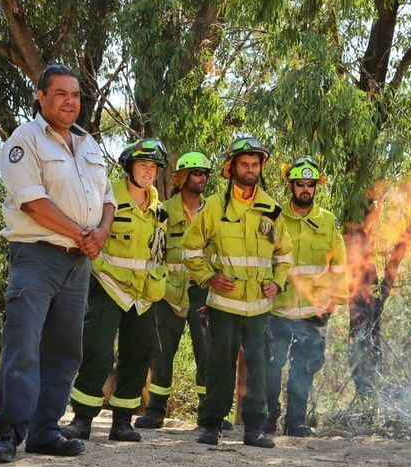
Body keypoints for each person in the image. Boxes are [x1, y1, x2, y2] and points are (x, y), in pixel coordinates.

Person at [0, 64, 115, 463]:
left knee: (65, 350)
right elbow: (31, 201)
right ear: (41, 96)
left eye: (75, 95)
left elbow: (109, 200)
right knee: (24, 342)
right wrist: (83, 233)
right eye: (60, 93)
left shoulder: (88, 144)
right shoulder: (23, 140)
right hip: (38, 256)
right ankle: (9, 431)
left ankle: (46, 431)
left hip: (80, 263)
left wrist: (102, 233)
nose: (70, 101)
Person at [183, 135, 293, 448]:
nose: (250, 169)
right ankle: (212, 426)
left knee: (259, 365)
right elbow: (190, 249)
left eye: (255, 164)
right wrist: (208, 278)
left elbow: (284, 256)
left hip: (259, 307)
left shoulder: (271, 210)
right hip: (224, 304)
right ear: (231, 168)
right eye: (244, 164)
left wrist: (278, 282)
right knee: (220, 364)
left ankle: (254, 429)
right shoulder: (214, 207)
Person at [61, 138, 169, 443]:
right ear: (129, 168)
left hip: (144, 296)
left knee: (137, 355)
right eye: (143, 165)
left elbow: (160, 253)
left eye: (153, 166)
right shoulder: (107, 201)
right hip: (107, 287)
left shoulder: (160, 211)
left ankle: (122, 422)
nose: (149, 172)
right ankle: (82, 418)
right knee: (97, 350)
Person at [134, 152, 231, 430]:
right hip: (168, 293)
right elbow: (154, 251)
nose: (201, 178)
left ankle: (209, 413)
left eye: (204, 174)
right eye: (195, 173)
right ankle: (155, 411)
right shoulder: (164, 211)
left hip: (202, 291)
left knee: (208, 353)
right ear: (182, 177)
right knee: (162, 352)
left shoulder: (213, 211)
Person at [264, 156, 348, 437]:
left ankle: (295, 422)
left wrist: (335, 300)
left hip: (314, 311)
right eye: (300, 184)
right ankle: (268, 418)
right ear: (291, 185)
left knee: (304, 368)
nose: (305, 190)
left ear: (316, 188)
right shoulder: (275, 217)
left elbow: (339, 264)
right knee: (272, 366)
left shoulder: (327, 221)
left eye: (310, 185)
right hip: (278, 309)